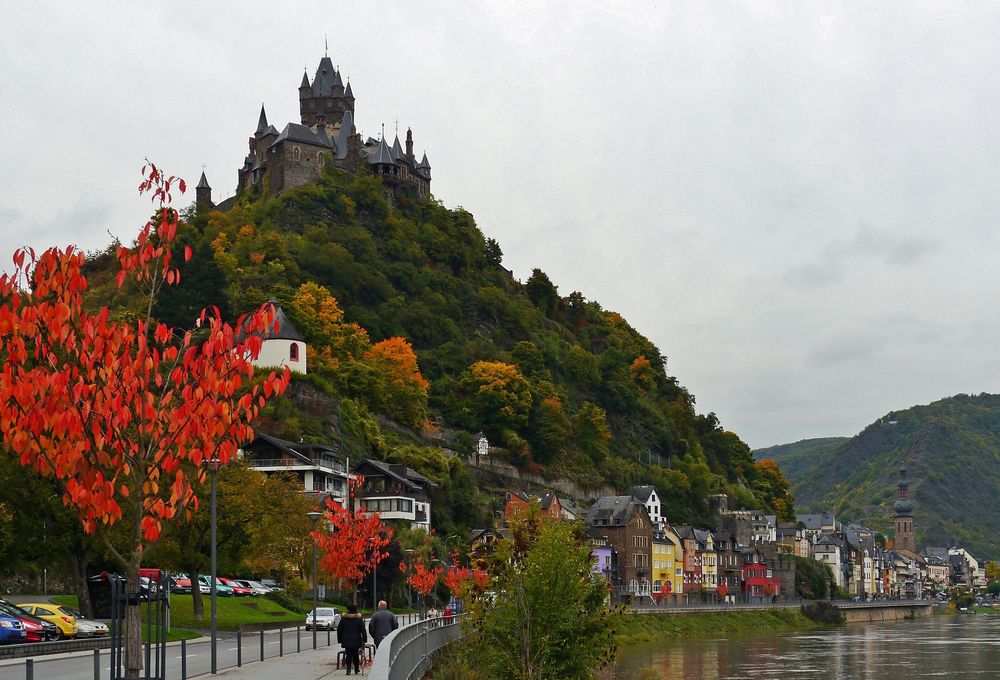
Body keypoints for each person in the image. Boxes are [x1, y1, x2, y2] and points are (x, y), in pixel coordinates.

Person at [336, 603, 367, 675]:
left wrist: (340, 639)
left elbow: (339, 629)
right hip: (356, 639)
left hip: (346, 639)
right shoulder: (359, 619)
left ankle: (348, 669)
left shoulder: (344, 619)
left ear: (348, 610)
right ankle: (356, 669)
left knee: (348, 654)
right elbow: (363, 630)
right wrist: (364, 639)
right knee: (356, 654)